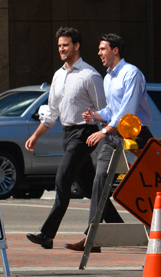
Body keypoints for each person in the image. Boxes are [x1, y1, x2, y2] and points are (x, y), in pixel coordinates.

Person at [64, 33, 154, 252]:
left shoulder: (131, 73)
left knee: (146, 187)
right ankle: (91, 237)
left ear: (115, 50)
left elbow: (127, 111)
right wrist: (96, 115)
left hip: (135, 135)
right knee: (99, 180)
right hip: (115, 136)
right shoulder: (107, 78)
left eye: (102, 49)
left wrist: (103, 131)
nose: (99, 53)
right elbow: (112, 111)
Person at [25, 27, 106, 250]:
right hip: (67, 133)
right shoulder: (58, 75)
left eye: (66, 45)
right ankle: (110, 230)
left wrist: (106, 133)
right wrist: (35, 136)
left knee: (62, 180)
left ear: (76, 46)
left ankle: (47, 234)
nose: (61, 49)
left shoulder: (90, 75)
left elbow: (105, 110)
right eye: (59, 45)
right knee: (92, 188)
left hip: (85, 134)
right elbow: (52, 114)